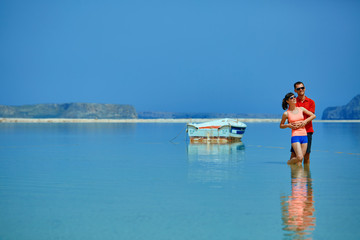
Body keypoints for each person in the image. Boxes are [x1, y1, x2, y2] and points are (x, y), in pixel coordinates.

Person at [280, 93, 316, 164]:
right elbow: (281, 125)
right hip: (295, 136)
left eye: (294, 97)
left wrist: (305, 121)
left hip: (304, 135)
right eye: (291, 98)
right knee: (299, 157)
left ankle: (300, 174)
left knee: (300, 160)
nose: (294, 98)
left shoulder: (301, 109)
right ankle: (289, 163)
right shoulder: (286, 113)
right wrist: (288, 125)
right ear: (287, 101)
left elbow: (313, 116)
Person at [290, 82, 316, 164]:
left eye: (302, 88)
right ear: (295, 91)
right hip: (296, 132)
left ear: (304, 88)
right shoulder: (293, 102)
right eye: (298, 89)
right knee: (294, 155)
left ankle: (307, 175)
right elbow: (290, 117)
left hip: (308, 131)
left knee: (306, 156)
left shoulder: (311, 102)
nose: (301, 90)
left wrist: (304, 122)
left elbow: (311, 115)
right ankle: (293, 175)